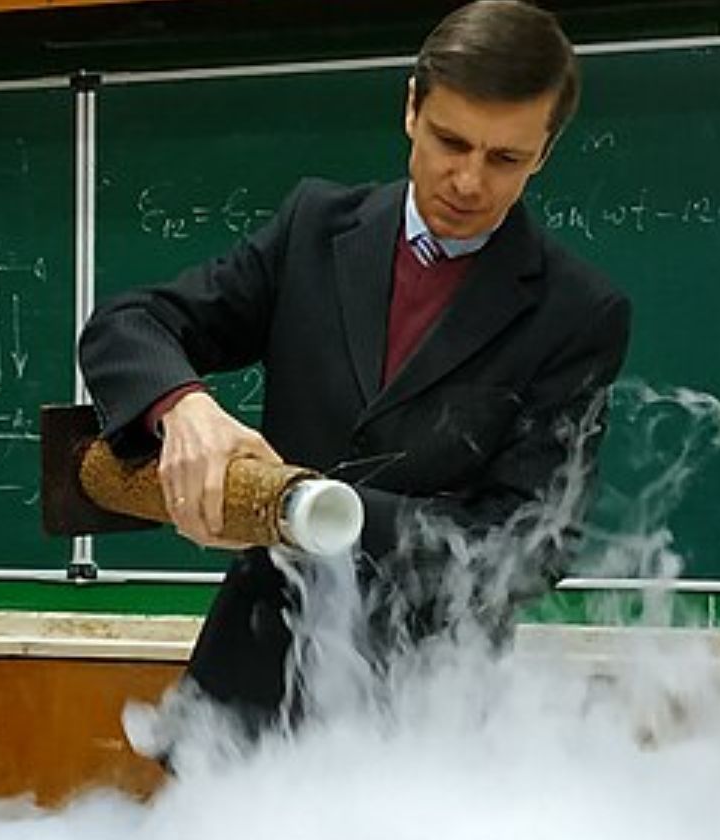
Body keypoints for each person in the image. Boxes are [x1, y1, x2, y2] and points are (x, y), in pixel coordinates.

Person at [78, 0, 631, 748]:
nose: (468, 181)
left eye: (504, 158)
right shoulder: (313, 228)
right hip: (250, 688)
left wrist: (321, 509)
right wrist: (182, 405)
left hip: (429, 713)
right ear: (411, 108)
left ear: (545, 152)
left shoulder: (577, 312)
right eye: (449, 141)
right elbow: (127, 325)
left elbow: (532, 545)